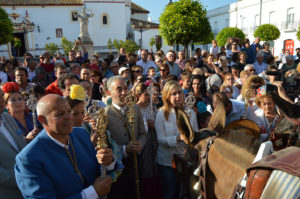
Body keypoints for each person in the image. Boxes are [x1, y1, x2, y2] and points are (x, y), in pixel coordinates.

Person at [15, 94, 115, 198]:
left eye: (69, 111)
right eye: (60, 114)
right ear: (42, 120)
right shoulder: (28, 159)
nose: (68, 117)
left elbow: (100, 170)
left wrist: (108, 162)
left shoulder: (81, 134)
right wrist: (92, 192)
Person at [155, 80, 198, 199]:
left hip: (186, 160)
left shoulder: (190, 113)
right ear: (167, 96)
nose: (178, 96)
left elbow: (195, 135)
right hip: (167, 162)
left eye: (180, 92)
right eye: (174, 93)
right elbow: (160, 139)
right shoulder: (161, 114)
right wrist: (178, 138)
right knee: (170, 193)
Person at [105, 76, 146, 199]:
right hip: (118, 168)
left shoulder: (135, 108)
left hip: (137, 164)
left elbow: (143, 133)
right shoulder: (105, 114)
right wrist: (124, 149)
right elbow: (106, 144)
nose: (124, 92)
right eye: (119, 89)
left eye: (125, 88)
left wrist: (140, 144)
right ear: (109, 92)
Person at [134, 83, 161, 199]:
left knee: (155, 166)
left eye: (149, 94)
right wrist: (145, 124)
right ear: (138, 95)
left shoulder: (152, 106)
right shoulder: (135, 108)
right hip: (143, 141)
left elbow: (157, 122)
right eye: (146, 94)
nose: (148, 97)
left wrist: (154, 125)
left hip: (153, 139)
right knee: (146, 168)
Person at [0, 88, 27, 199]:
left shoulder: (8, 118)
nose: (0, 100)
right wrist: (22, 179)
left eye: (1, 96)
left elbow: (22, 146)